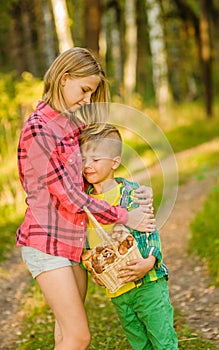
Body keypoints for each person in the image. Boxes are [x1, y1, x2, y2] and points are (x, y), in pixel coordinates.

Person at [16, 47, 156, 350]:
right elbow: (70, 196)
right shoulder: (39, 128)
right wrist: (123, 215)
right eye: (84, 90)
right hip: (46, 243)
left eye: (91, 94)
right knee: (80, 337)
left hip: (73, 243)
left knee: (66, 336)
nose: (87, 100)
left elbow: (95, 176)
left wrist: (131, 193)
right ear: (64, 78)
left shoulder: (71, 126)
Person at [80, 123, 178, 350]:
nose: (87, 165)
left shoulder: (133, 193)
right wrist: (93, 269)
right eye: (83, 159)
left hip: (147, 284)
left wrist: (149, 262)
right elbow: (86, 241)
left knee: (163, 340)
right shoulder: (84, 202)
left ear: (114, 162)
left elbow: (150, 231)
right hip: (118, 290)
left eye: (95, 159)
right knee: (138, 343)